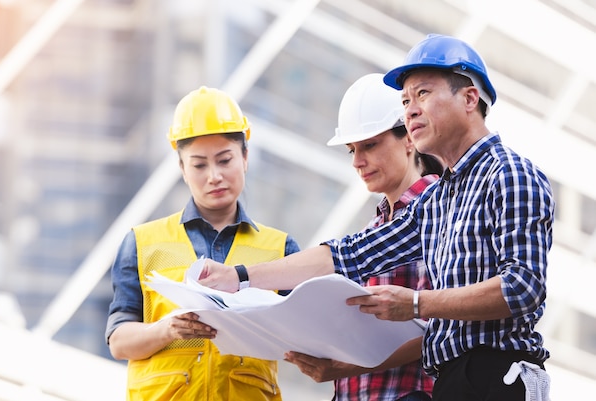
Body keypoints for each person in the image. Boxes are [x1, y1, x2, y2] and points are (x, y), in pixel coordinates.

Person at [199, 34, 555, 401]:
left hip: (499, 374)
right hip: (451, 379)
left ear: (469, 98)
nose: (411, 109)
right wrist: (238, 278)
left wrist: (415, 304)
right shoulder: (436, 201)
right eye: (405, 100)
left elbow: (522, 287)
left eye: (423, 94)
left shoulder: (510, 173)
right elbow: (349, 255)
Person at [105, 86, 300, 401]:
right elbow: (119, 341)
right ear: (182, 169)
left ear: (245, 158)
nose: (214, 176)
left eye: (225, 160)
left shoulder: (281, 249)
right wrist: (167, 330)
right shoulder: (142, 243)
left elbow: (303, 335)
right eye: (199, 165)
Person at [285, 73, 440, 401]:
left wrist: (348, 367)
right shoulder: (373, 229)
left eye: (369, 145)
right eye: (352, 149)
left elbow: (444, 329)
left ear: (409, 138)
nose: (357, 161)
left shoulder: (441, 210)